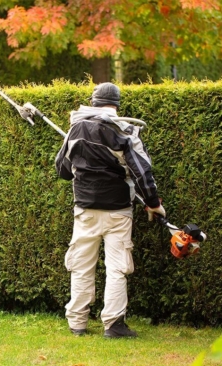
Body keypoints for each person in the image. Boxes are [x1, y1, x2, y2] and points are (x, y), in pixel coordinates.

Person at [55, 82, 165, 338]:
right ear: (116, 105)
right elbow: (142, 172)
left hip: (85, 211)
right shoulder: (124, 130)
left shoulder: (75, 129)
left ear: (93, 102)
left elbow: (61, 169)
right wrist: (154, 204)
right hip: (118, 211)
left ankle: (77, 323)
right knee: (117, 268)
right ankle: (113, 325)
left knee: (81, 266)